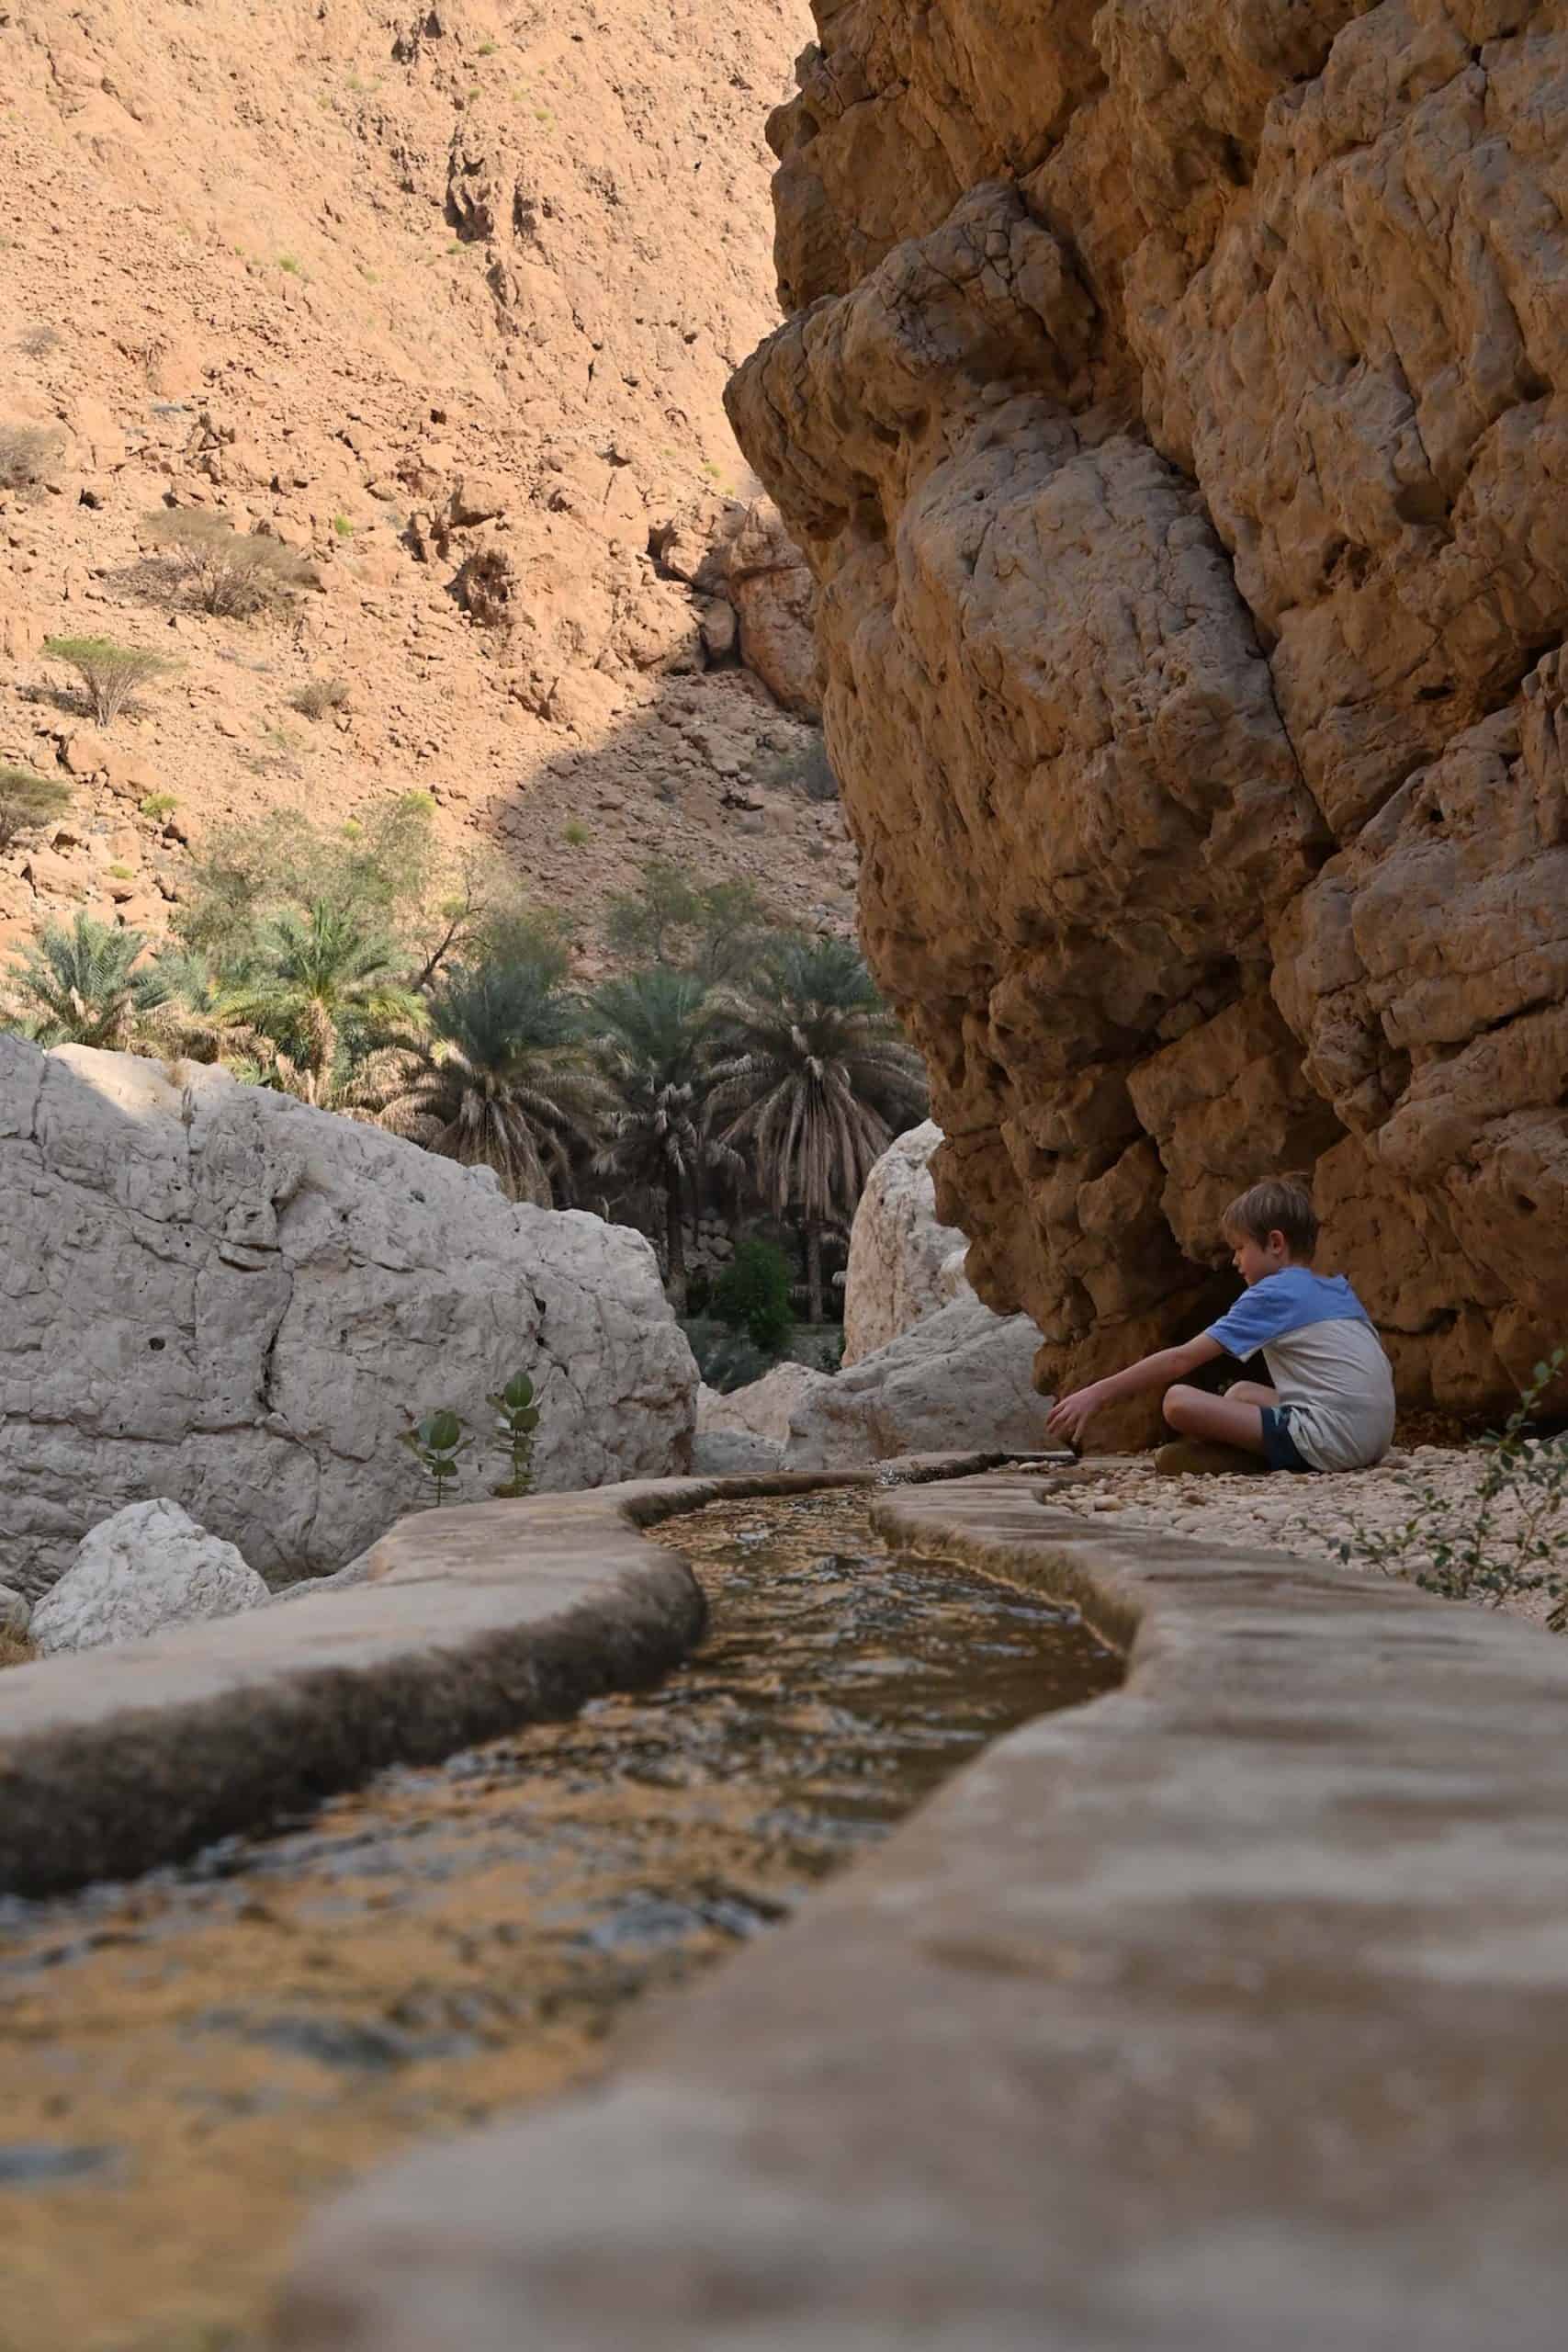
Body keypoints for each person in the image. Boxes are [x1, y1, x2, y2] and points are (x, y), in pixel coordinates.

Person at [1046, 1177, 1396, 1474]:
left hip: (1335, 1441)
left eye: (1240, 1247)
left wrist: (1096, 1394)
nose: (1235, 1260)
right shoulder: (1336, 1288)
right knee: (1241, 1393)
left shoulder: (1272, 1293)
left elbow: (1180, 1360)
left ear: (1275, 1243)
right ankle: (1254, 1450)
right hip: (1375, 1437)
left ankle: (1247, 1458)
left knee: (1177, 1401)